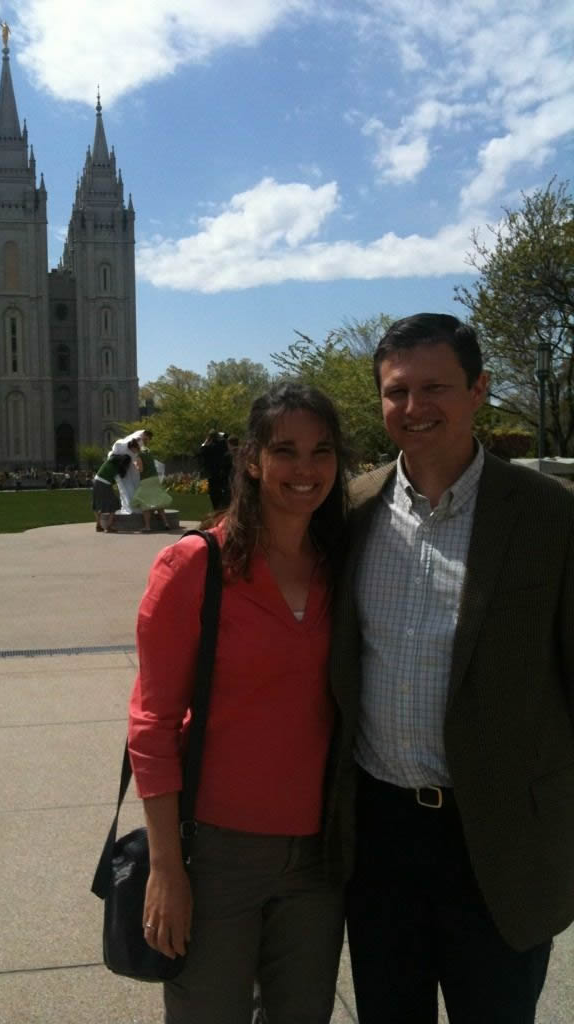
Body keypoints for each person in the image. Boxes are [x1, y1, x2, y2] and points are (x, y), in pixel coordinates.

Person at [327, 313, 574, 1024]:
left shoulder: (550, 516)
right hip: (380, 840)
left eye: (435, 387)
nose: (415, 407)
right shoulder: (351, 512)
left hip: (500, 838)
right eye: (397, 391)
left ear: (479, 390)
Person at [129, 382, 348, 1023]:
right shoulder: (195, 566)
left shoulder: (340, 565)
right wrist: (166, 868)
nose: (305, 469)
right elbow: (152, 725)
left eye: (322, 450)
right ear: (251, 459)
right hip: (217, 854)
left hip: (318, 856)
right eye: (285, 450)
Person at [132, 429, 172, 532]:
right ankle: (166, 523)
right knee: (158, 502)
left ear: (135, 448)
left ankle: (147, 526)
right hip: (154, 478)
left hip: (146, 480)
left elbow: (141, 470)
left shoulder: (139, 455)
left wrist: (135, 465)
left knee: (144, 503)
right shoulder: (148, 451)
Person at [92, 452, 127, 533]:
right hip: (104, 483)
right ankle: (109, 526)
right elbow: (118, 479)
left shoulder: (110, 461)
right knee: (114, 503)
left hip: (96, 481)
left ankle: (98, 525)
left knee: (97, 504)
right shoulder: (117, 468)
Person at [197, 430, 233, 510]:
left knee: (214, 495)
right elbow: (227, 436)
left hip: (212, 474)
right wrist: (220, 434)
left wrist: (206, 440)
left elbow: (201, 451)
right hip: (222, 473)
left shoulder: (207, 448)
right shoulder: (222, 445)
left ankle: (217, 509)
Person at [108, 436, 142, 515]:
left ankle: (131, 506)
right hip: (122, 473)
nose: (136, 451)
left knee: (129, 490)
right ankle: (129, 506)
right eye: (136, 449)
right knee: (125, 490)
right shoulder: (120, 447)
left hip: (127, 473)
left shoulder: (131, 453)